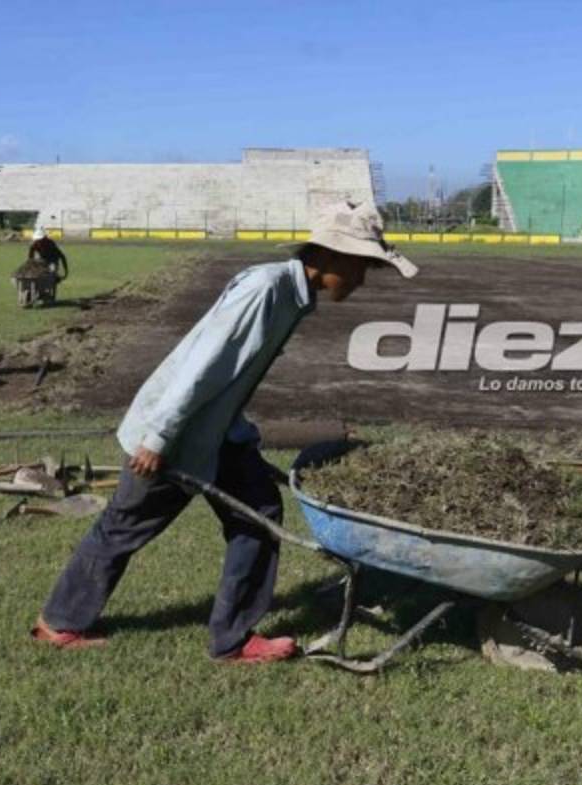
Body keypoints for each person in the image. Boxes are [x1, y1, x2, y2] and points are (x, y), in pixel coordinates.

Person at [32, 201, 419, 664]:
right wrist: (158, 437)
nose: (361, 281)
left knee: (258, 511)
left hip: (214, 434)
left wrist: (239, 432)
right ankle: (61, 622)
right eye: (361, 267)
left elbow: (231, 377)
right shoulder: (266, 290)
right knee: (125, 525)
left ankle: (233, 638)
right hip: (176, 434)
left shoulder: (293, 297)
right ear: (333, 255)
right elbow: (203, 365)